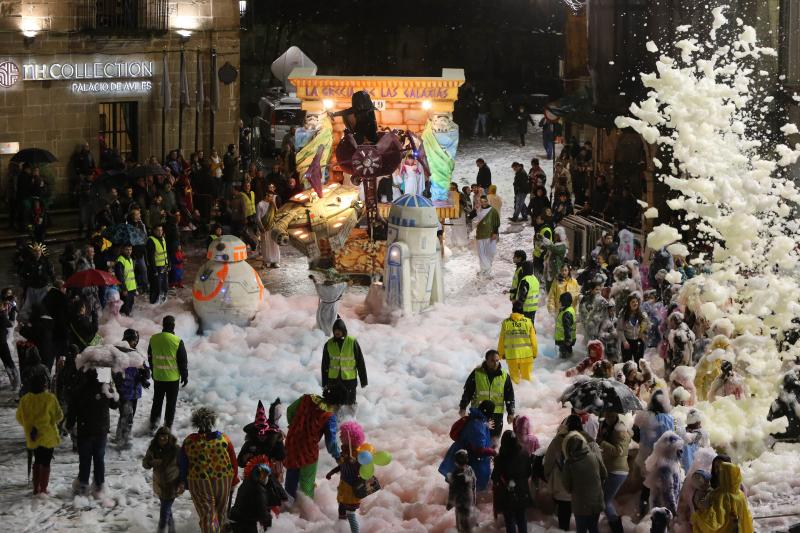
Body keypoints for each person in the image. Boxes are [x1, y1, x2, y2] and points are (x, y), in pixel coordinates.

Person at [180, 407, 240, 533]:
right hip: (223, 480)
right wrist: (234, 480)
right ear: (212, 422)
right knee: (220, 513)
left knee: (208, 516)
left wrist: (184, 482)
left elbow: (183, 463)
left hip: (199, 481)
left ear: (196, 423)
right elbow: (233, 460)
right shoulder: (223, 438)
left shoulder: (189, 441)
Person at [283, 383, 345, 498]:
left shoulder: (306, 398)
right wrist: (337, 456)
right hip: (308, 452)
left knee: (291, 476)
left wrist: (294, 427)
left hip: (292, 443)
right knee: (307, 483)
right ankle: (305, 511)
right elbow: (330, 441)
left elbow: (289, 410)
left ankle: (288, 507)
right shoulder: (329, 416)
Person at [67, 366, 118, 497]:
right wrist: (113, 390)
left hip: (85, 430)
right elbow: (115, 405)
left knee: (85, 459)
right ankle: (100, 485)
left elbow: (72, 411)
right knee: (99, 458)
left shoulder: (78, 391)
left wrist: (69, 424)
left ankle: (83, 485)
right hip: (101, 430)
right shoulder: (104, 388)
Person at [16, 371, 63, 495]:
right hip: (48, 436)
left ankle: (35, 488)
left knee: (37, 460)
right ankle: (43, 489)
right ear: (44, 385)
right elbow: (59, 416)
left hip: (33, 436)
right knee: (46, 462)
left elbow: (19, 417)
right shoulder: (50, 398)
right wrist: (51, 422)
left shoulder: (25, 399)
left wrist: (29, 426)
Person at [440, 400, 497, 491]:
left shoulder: (476, 419)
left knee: (460, 487)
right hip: (468, 460)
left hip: (462, 457)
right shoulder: (478, 425)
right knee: (467, 489)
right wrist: (493, 452)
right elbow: (479, 449)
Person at [458, 350, 515, 441]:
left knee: (493, 441)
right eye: (492, 360)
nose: (495, 363)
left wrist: (511, 412)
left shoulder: (504, 376)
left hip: (496, 414)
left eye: (497, 360)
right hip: (479, 412)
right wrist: (463, 406)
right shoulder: (477, 373)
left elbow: (510, 395)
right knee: (477, 439)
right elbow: (468, 391)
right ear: (486, 360)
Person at [325, 420, 368, 533]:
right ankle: (341, 529)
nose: (339, 435)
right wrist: (332, 472)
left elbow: (363, 470)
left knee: (351, 515)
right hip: (343, 487)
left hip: (351, 489)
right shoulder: (344, 452)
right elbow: (342, 466)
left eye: (342, 434)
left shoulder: (357, 455)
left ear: (351, 438)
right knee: (341, 510)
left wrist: (355, 462)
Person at [148, 315, 189, 431]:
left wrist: (153, 369)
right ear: (173, 326)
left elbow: (150, 357)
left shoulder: (153, 339)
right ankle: (167, 428)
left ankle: (153, 426)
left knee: (157, 403)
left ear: (163, 325)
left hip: (158, 377)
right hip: (172, 379)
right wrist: (184, 375)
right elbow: (182, 361)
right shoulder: (177, 341)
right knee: (170, 405)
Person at [561, 431, 607, 533]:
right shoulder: (593, 455)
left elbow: (567, 486)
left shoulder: (569, 464)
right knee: (594, 528)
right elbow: (604, 474)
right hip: (596, 501)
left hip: (581, 505)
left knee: (581, 530)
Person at [691, 461, 753, 533]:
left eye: (720, 472)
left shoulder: (718, 495)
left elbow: (713, 523)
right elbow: (746, 516)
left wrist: (698, 517)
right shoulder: (740, 495)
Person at [143, 426, 184, 533]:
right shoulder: (152, 449)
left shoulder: (176, 450)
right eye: (161, 437)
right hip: (159, 485)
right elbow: (145, 463)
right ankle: (172, 531)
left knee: (164, 514)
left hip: (172, 485)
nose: (163, 440)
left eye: (165, 438)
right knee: (167, 511)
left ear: (169, 438)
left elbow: (183, 467)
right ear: (157, 438)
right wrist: (151, 463)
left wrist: (182, 482)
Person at [114, 329, 150, 450]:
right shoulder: (123, 353)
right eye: (134, 340)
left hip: (130, 391)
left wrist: (143, 376)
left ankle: (120, 436)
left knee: (126, 415)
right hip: (127, 391)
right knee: (127, 415)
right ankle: (125, 441)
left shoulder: (130, 353)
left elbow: (145, 372)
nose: (135, 343)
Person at [597, 411, 632, 533]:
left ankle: (617, 527)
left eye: (610, 416)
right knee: (604, 499)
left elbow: (619, 451)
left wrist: (602, 442)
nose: (608, 418)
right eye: (606, 415)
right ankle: (612, 524)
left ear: (616, 416)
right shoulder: (610, 428)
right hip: (613, 469)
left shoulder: (619, 430)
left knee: (605, 501)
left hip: (617, 470)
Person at [231, 458, 288, 532]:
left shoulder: (246, 483)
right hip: (248, 523)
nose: (265, 478)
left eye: (266, 475)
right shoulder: (259, 490)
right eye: (263, 476)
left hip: (236, 518)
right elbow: (262, 511)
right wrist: (268, 523)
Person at [492, 430, 532, 533]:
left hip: (507, 493)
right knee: (522, 518)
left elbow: (495, 477)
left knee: (510, 520)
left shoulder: (500, 458)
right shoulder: (524, 453)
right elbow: (529, 472)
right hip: (522, 491)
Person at [321, 318, 367, 406]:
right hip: (334, 380)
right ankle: (336, 418)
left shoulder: (352, 342)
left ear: (344, 331)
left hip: (349, 380)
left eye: (339, 330)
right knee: (334, 404)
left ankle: (350, 418)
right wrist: (324, 383)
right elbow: (324, 365)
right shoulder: (329, 344)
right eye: (335, 330)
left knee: (349, 404)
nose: (337, 332)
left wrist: (363, 380)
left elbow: (360, 362)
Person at [238, 399, 286, 480]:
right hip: (252, 478)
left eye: (265, 434)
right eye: (259, 434)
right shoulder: (249, 444)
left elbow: (281, 456)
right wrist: (244, 459)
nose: (262, 436)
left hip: (271, 477)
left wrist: (278, 443)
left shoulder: (274, 442)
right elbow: (240, 462)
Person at [497, 301, 537, 383]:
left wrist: (501, 354)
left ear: (512, 310)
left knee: (514, 381)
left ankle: (517, 395)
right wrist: (534, 353)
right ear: (522, 310)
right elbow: (533, 340)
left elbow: (502, 340)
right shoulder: (528, 322)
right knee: (527, 380)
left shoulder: (505, 323)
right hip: (527, 355)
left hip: (512, 356)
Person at [446, 449, 477, 533]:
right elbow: (474, 482)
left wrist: (450, 502)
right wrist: (474, 497)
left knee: (461, 521)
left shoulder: (455, 474)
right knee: (468, 519)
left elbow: (452, 490)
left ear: (456, 462)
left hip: (460, 501)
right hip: (469, 498)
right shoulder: (470, 470)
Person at [617, 293, 650, 364]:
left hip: (638, 342)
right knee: (627, 364)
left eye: (636, 302)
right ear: (629, 304)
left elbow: (648, 325)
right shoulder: (623, 315)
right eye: (633, 302)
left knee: (639, 364)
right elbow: (619, 330)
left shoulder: (642, 314)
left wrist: (643, 333)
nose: (635, 303)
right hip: (627, 341)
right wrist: (624, 341)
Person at [474, 195, 500, 278]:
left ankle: (487, 269)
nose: (483, 203)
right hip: (480, 235)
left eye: (485, 201)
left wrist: (495, 233)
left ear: (488, 201)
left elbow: (496, 223)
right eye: (482, 201)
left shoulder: (493, 211)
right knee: (481, 253)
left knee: (490, 252)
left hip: (490, 235)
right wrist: (475, 209)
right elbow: (470, 217)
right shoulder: (478, 209)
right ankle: (484, 269)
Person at [256, 188, 280, 269]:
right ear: (266, 195)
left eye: (272, 197)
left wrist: (274, 204)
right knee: (265, 245)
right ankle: (266, 262)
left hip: (272, 227)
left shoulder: (272, 204)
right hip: (264, 228)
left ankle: (275, 262)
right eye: (270, 196)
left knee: (274, 244)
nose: (271, 198)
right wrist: (261, 227)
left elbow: (277, 213)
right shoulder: (260, 204)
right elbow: (258, 218)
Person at [0, 289, 19, 389]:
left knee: (7, 359)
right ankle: (15, 381)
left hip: (6, 335)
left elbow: (12, 321)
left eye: (10, 295)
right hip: (3, 335)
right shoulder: (2, 306)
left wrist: (13, 307)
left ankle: (15, 381)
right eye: (7, 295)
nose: (9, 297)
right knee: (7, 359)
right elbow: (7, 322)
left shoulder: (11, 305)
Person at [147, 225, 170, 304]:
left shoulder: (163, 238)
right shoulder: (151, 240)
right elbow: (151, 257)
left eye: (161, 230)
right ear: (154, 231)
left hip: (164, 266)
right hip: (156, 267)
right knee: (156, 286)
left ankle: (162, 302)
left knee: (165, 285)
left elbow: (166, 252)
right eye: (158, 230)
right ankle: (153, 303)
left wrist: (168, 263)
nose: (160, 232)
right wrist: (154, 270)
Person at [115, 244, 137, 316]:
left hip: (131, 288)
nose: (129, 251)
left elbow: (132, 275)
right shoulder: (120, 260)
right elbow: (120, 276)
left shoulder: (130, 259)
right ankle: (124, 324)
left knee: (130, 305)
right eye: (127, 249)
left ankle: (128, 321)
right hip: (125, 289)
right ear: (122, 250)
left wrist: (135, 287)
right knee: (125, 308)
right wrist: (123, 289)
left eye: (130, 249)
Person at [555, 292, 576, 359]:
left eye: (560, 301)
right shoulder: (569, 309)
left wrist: (567, 340)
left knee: (564, 358)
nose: (559, 302)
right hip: (566, 339)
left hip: (564, 340)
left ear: (564, 302)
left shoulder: (566, 314)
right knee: (569, 356)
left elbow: (567, 328)